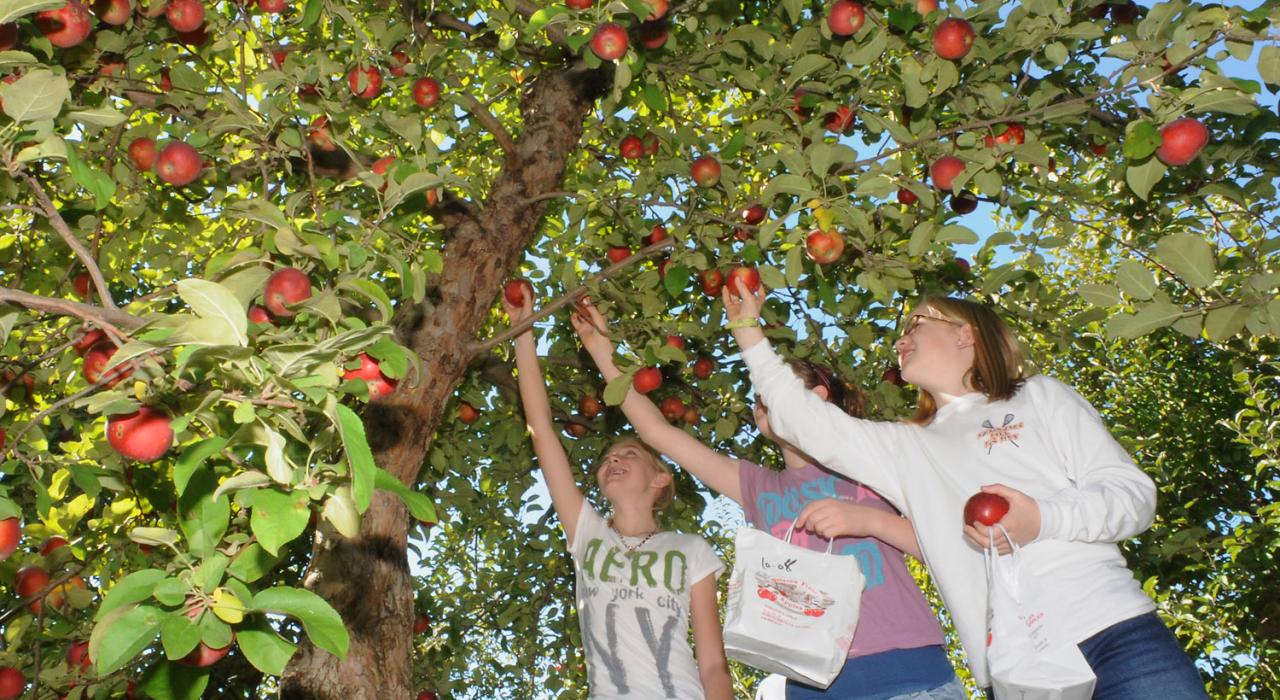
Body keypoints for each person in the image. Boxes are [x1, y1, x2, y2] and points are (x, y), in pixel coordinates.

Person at [723, 283, 1209, 700]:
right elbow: (806, 420)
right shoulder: (907, 448)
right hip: (1018, 666)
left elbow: (1132, 495)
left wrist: (1043, 519)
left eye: (915, 326)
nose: (900, 339)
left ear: (964, 333)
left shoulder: (1040, 397)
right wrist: (748, 329)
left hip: (1116, 630)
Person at [572, 299, 965, 700]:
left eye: (773, 387)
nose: (762, 398)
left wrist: (869, 521)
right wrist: (603, 355)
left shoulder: (870, 459)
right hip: (810, 687)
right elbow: (658, 433)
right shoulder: (758, 487)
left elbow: (950, 547)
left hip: (911, 678)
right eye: (758, 393)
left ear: (817, 395)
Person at [503, 287, 733, 700]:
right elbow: (540, 427)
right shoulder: (587, 533)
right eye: (608, 458)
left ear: (660, 478)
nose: (614, 460)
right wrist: (523, 328)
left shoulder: (691, 549)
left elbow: (713, 663)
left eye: (629, 453)